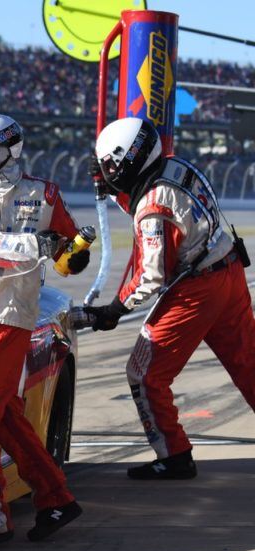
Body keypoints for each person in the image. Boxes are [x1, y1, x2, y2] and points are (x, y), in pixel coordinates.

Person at [0, 113, 88, 548]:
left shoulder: (44, 195)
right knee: (2, 418)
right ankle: (56, 497)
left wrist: (72, 254)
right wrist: (33, 245)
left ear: (3, 151)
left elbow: (65, 255)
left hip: (8, 320)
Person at [85, 117, 255, 479]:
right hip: (229, 269)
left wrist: (114, 310)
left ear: (133, 157)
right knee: (249, 365)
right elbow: (150, 201)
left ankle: (174, 454)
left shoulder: (151, 208)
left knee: (143, 373)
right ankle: (174, 452)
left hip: (198, 289)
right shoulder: (176, 165)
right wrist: (110, 184)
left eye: (112, 163)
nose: (108, 170)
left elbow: (151, 274)